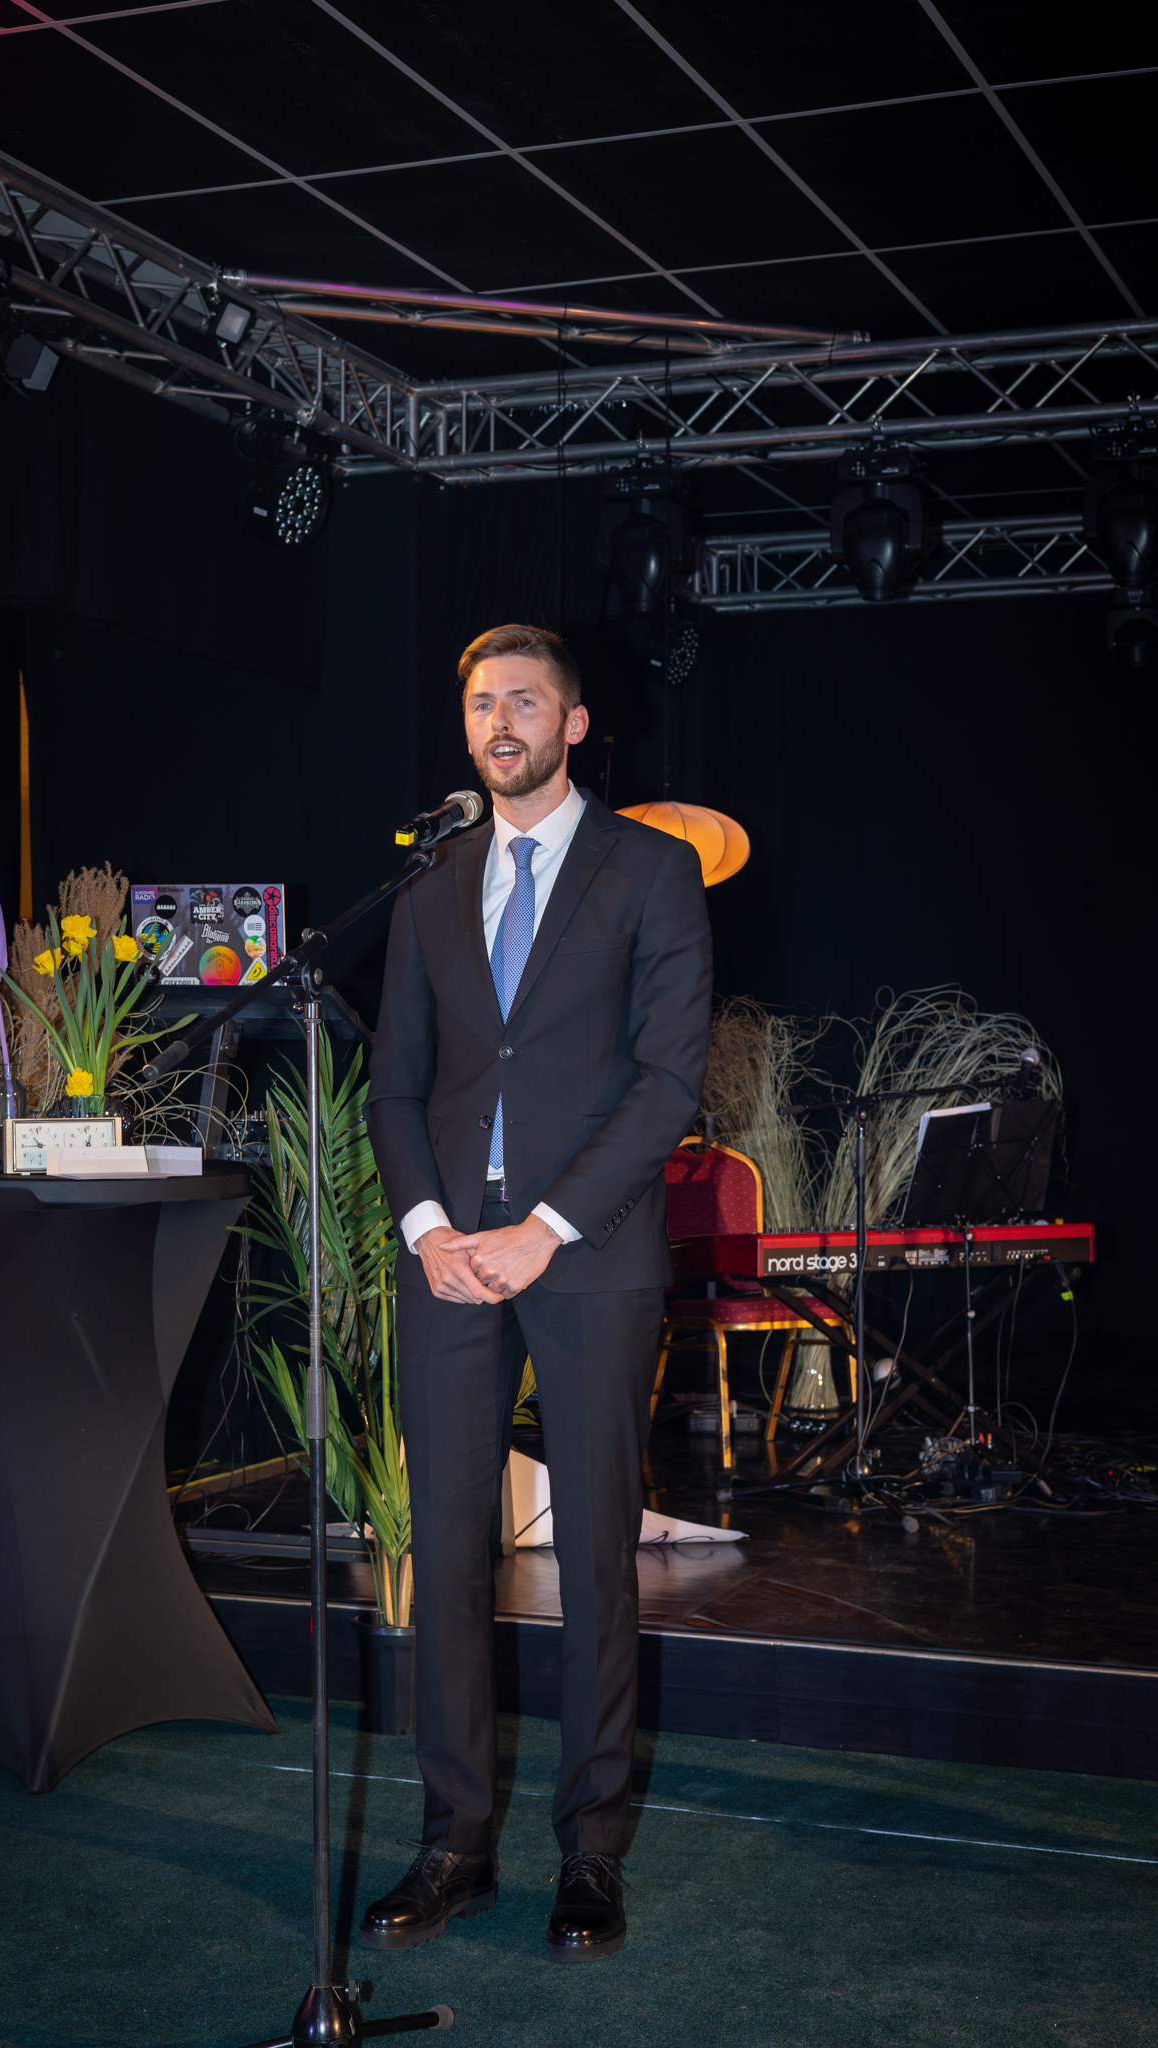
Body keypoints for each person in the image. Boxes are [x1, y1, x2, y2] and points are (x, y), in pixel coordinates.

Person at [360, 623, 712, 1962]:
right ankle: (452, 1842)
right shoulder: (429, 880)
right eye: (478, 703)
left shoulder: (651, 869)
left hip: (588, 1252)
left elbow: (667, 1081)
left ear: (573, 725)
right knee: (446, 1556)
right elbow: (395, 1082)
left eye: (522, 699)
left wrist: (546, 1228)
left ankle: (589, 1851)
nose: (496, 720)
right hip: (451, 1258)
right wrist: (428, 1225)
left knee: (595, 1561)